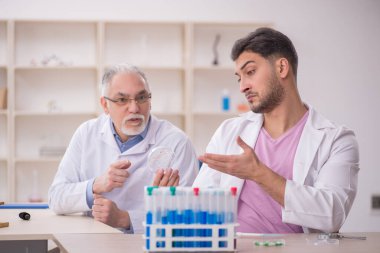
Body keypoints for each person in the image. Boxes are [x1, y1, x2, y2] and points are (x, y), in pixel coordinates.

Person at [193, 27, 359, 233]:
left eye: (250, 72)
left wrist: (258, 173)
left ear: (281, 68)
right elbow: (198, 204)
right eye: (239, 77)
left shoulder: (337, 140)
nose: (242, 86)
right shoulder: (230, 131)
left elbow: (332, 215)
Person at [48, 63, 198, 233]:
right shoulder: (86, 133)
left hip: (148, 245)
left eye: (141, 98)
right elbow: (56, 197)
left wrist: (124, 218)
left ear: (150, 101)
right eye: (122, 100)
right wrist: (95, 185)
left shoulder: (176, 142)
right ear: (105, 105)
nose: (134, 108)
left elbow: (190, 216)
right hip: (93, 242)